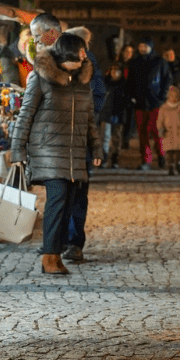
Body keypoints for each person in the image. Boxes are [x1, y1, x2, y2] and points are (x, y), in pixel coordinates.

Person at [9, 32, 99, 275]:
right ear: (63, 56)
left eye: (82, 58)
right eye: (76, 58)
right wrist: (17, 150)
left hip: (75, 152)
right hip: (48, 150)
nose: (80, 62)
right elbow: (25, 115)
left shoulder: (83, 80)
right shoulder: (39, 78)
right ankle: (49, 256)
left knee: (69, 203)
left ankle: (56, 254)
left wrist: (96, 147)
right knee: (57, 200)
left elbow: (89, 117)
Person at [63, 27, 106, 263]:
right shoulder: (53, 64)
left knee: (78, 192)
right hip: (58, 141)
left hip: (80, 139)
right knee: (60, 192)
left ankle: (74, 241)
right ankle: (58, 240)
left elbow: (98, 97)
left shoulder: (91, 66)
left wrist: (82, 114)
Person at [127, 39, 170, 170]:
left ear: (150, 47)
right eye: (140, 45)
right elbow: (130, 81)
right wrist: (132, 96)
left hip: (155, 102)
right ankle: (146, 160)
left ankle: (161, 157)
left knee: (156, 131)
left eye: (145, 45)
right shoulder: (135, 62)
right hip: (140, 103)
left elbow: (167, 79)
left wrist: (162, 97)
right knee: (142, 133)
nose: (142, 48)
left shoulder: (159, 62)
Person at [99, 61, 129, 168]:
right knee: (105, 137)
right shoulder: (104, 83)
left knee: (117, 137)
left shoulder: (124, 85)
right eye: (113, 70)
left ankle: (115, 159)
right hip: (106, 113)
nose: (115, 73)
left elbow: (127, 101)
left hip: (119, 114)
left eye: (118, 71)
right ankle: (104, 158)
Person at [157, 85, 180, 175]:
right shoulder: (164, 108)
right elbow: (160, 120)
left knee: (178, 152)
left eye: (176, 96)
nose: (174, 98)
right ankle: (170, 166)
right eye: (172, 96)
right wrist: (160, 129)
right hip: (168, 133)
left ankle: (178, 164)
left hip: (178, 133)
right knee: (169, 152)